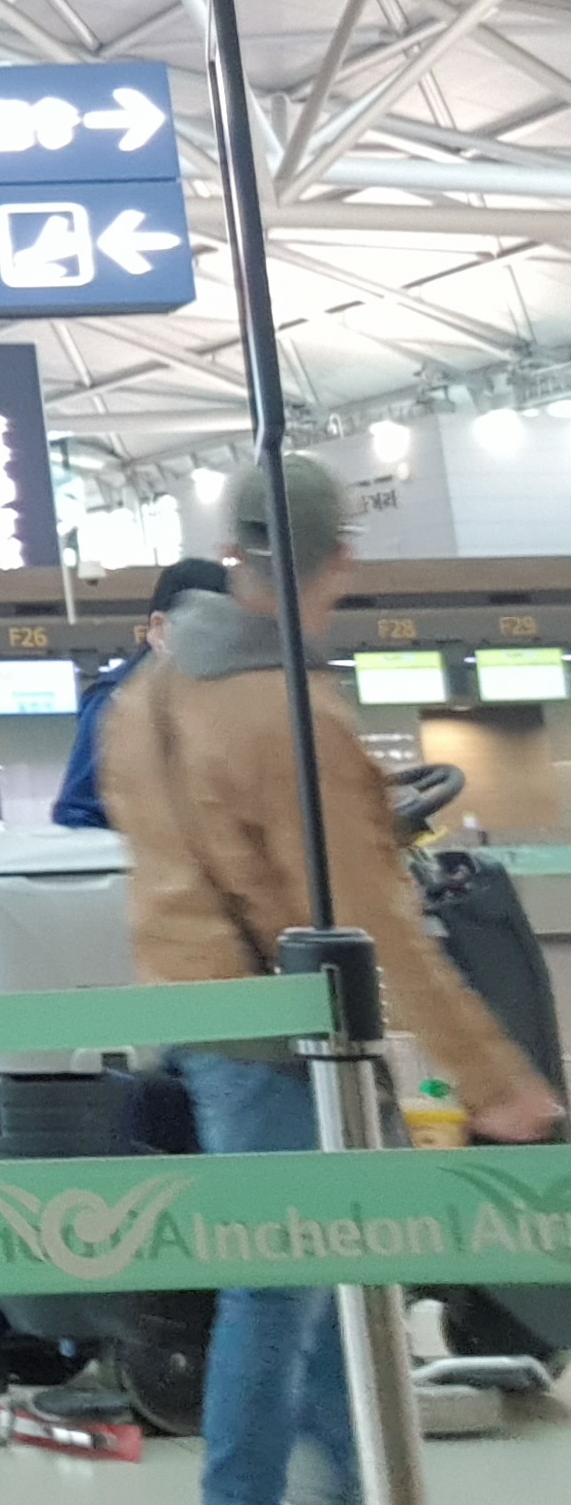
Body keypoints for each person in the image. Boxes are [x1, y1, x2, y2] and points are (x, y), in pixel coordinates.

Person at [100, 458, 564, 1505]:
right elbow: (369, 920)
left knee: (317, 1276)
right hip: (285, 1032)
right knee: (284, 1284)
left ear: (233, 552)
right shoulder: (291, 713)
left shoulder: (149, 694)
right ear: (341, 558)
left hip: (198, 1017)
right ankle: (244, 1495)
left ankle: (349, 1488)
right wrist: (494, 1080)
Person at [49, 556, 226, 831]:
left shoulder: (229, 694)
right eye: (206, 629)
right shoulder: (115, 703)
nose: (221, 644)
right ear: (159, 627)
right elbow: (79, 813)